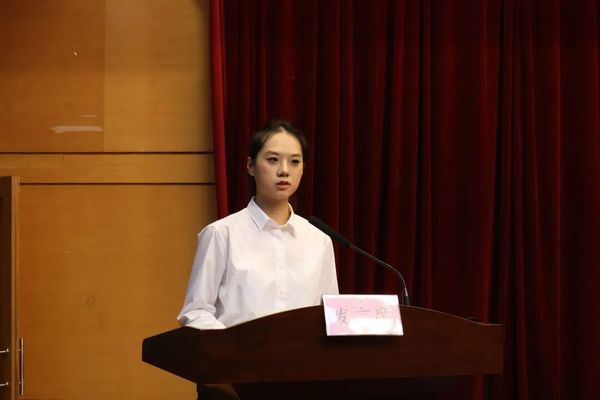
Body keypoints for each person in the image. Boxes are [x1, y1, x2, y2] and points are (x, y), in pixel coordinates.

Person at [177, 119, 339, 330]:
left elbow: (330, 317)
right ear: (250, 166)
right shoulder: (221, 234)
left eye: (294, 162)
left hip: (301, 352)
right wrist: (233, 344)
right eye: (273, 160)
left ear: (303, 170)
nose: (284, 171)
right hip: (237, 351)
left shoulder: (319, 241)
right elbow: (196, 311)